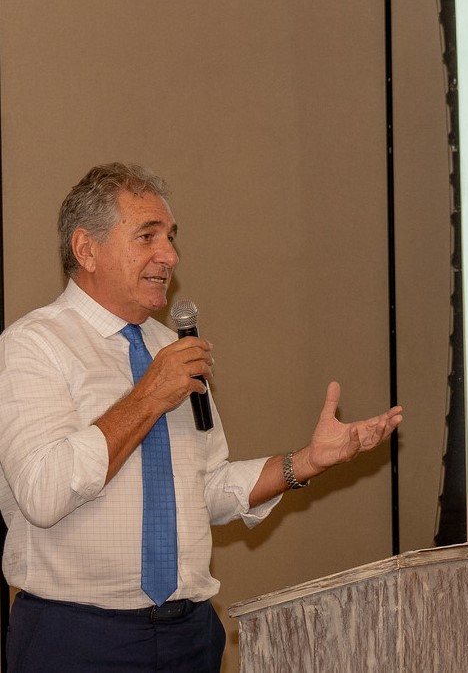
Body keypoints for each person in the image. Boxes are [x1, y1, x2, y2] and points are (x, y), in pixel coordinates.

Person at [0, 162, 403, 671]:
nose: (169, 255)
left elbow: (204, 490)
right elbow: (43, 490)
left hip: (190, 636)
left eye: (170, 238)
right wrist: (148, 397)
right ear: (87, 250)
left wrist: (305, 462)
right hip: (79, 638)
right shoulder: (34, 347)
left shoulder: (172, 349)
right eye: (147, 236)